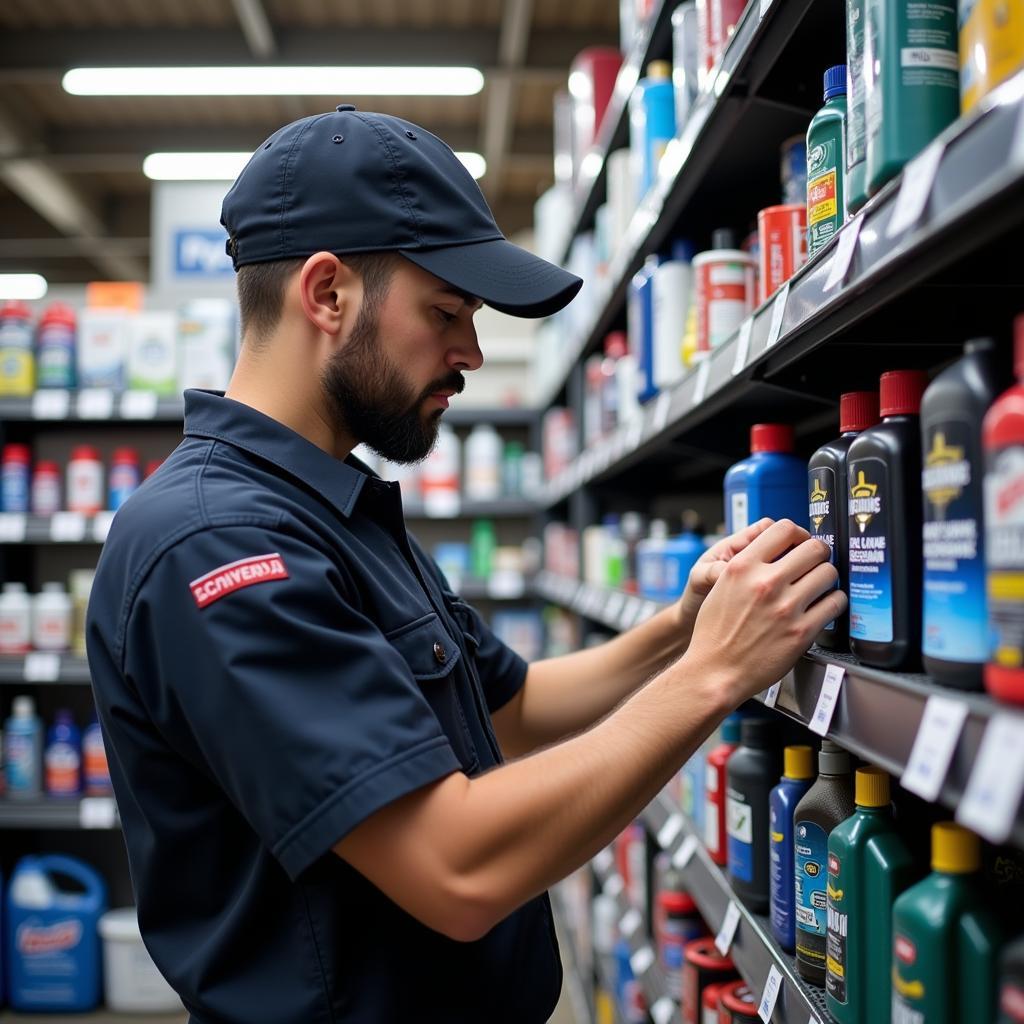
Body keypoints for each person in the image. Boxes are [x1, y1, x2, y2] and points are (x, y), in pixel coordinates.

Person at [86, 106, 842, 1024]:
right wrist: (716, 675)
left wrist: (681, 630)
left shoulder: (336, 507)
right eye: (446, 311)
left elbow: (510, 712)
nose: (473, 355)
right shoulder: (221, 546)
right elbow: (456, 865)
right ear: (327, 295)